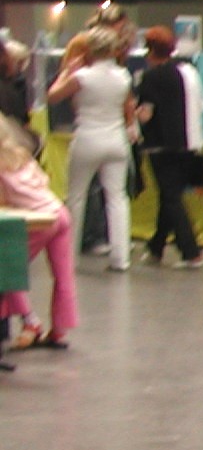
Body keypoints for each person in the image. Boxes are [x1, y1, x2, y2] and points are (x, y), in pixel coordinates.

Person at [47, 25, 136, 273]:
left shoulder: (82, 77)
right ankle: (120, 258)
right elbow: (127, 105)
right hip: (116, 140)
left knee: (76, 197)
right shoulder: (124, 76)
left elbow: (53, 96)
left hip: (87, 138)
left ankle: (69, 257)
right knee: (117, 198)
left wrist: (67, 71)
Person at [0, 114, 74, 349]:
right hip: (58, 212)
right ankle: (60, 330)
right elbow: (42, 182)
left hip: (39, 220)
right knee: (63, 275)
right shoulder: (23, 155)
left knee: (7, 268)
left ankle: (30, 321)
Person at [136, 25, 203, 268]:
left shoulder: (151, 77)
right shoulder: (190, 72)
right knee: (169, 195)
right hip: (191, 143)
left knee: (172, 197)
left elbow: (146, 114)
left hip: (161, 145)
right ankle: (156, 247)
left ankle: (191, 251)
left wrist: (130, 114)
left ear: (150, 50)